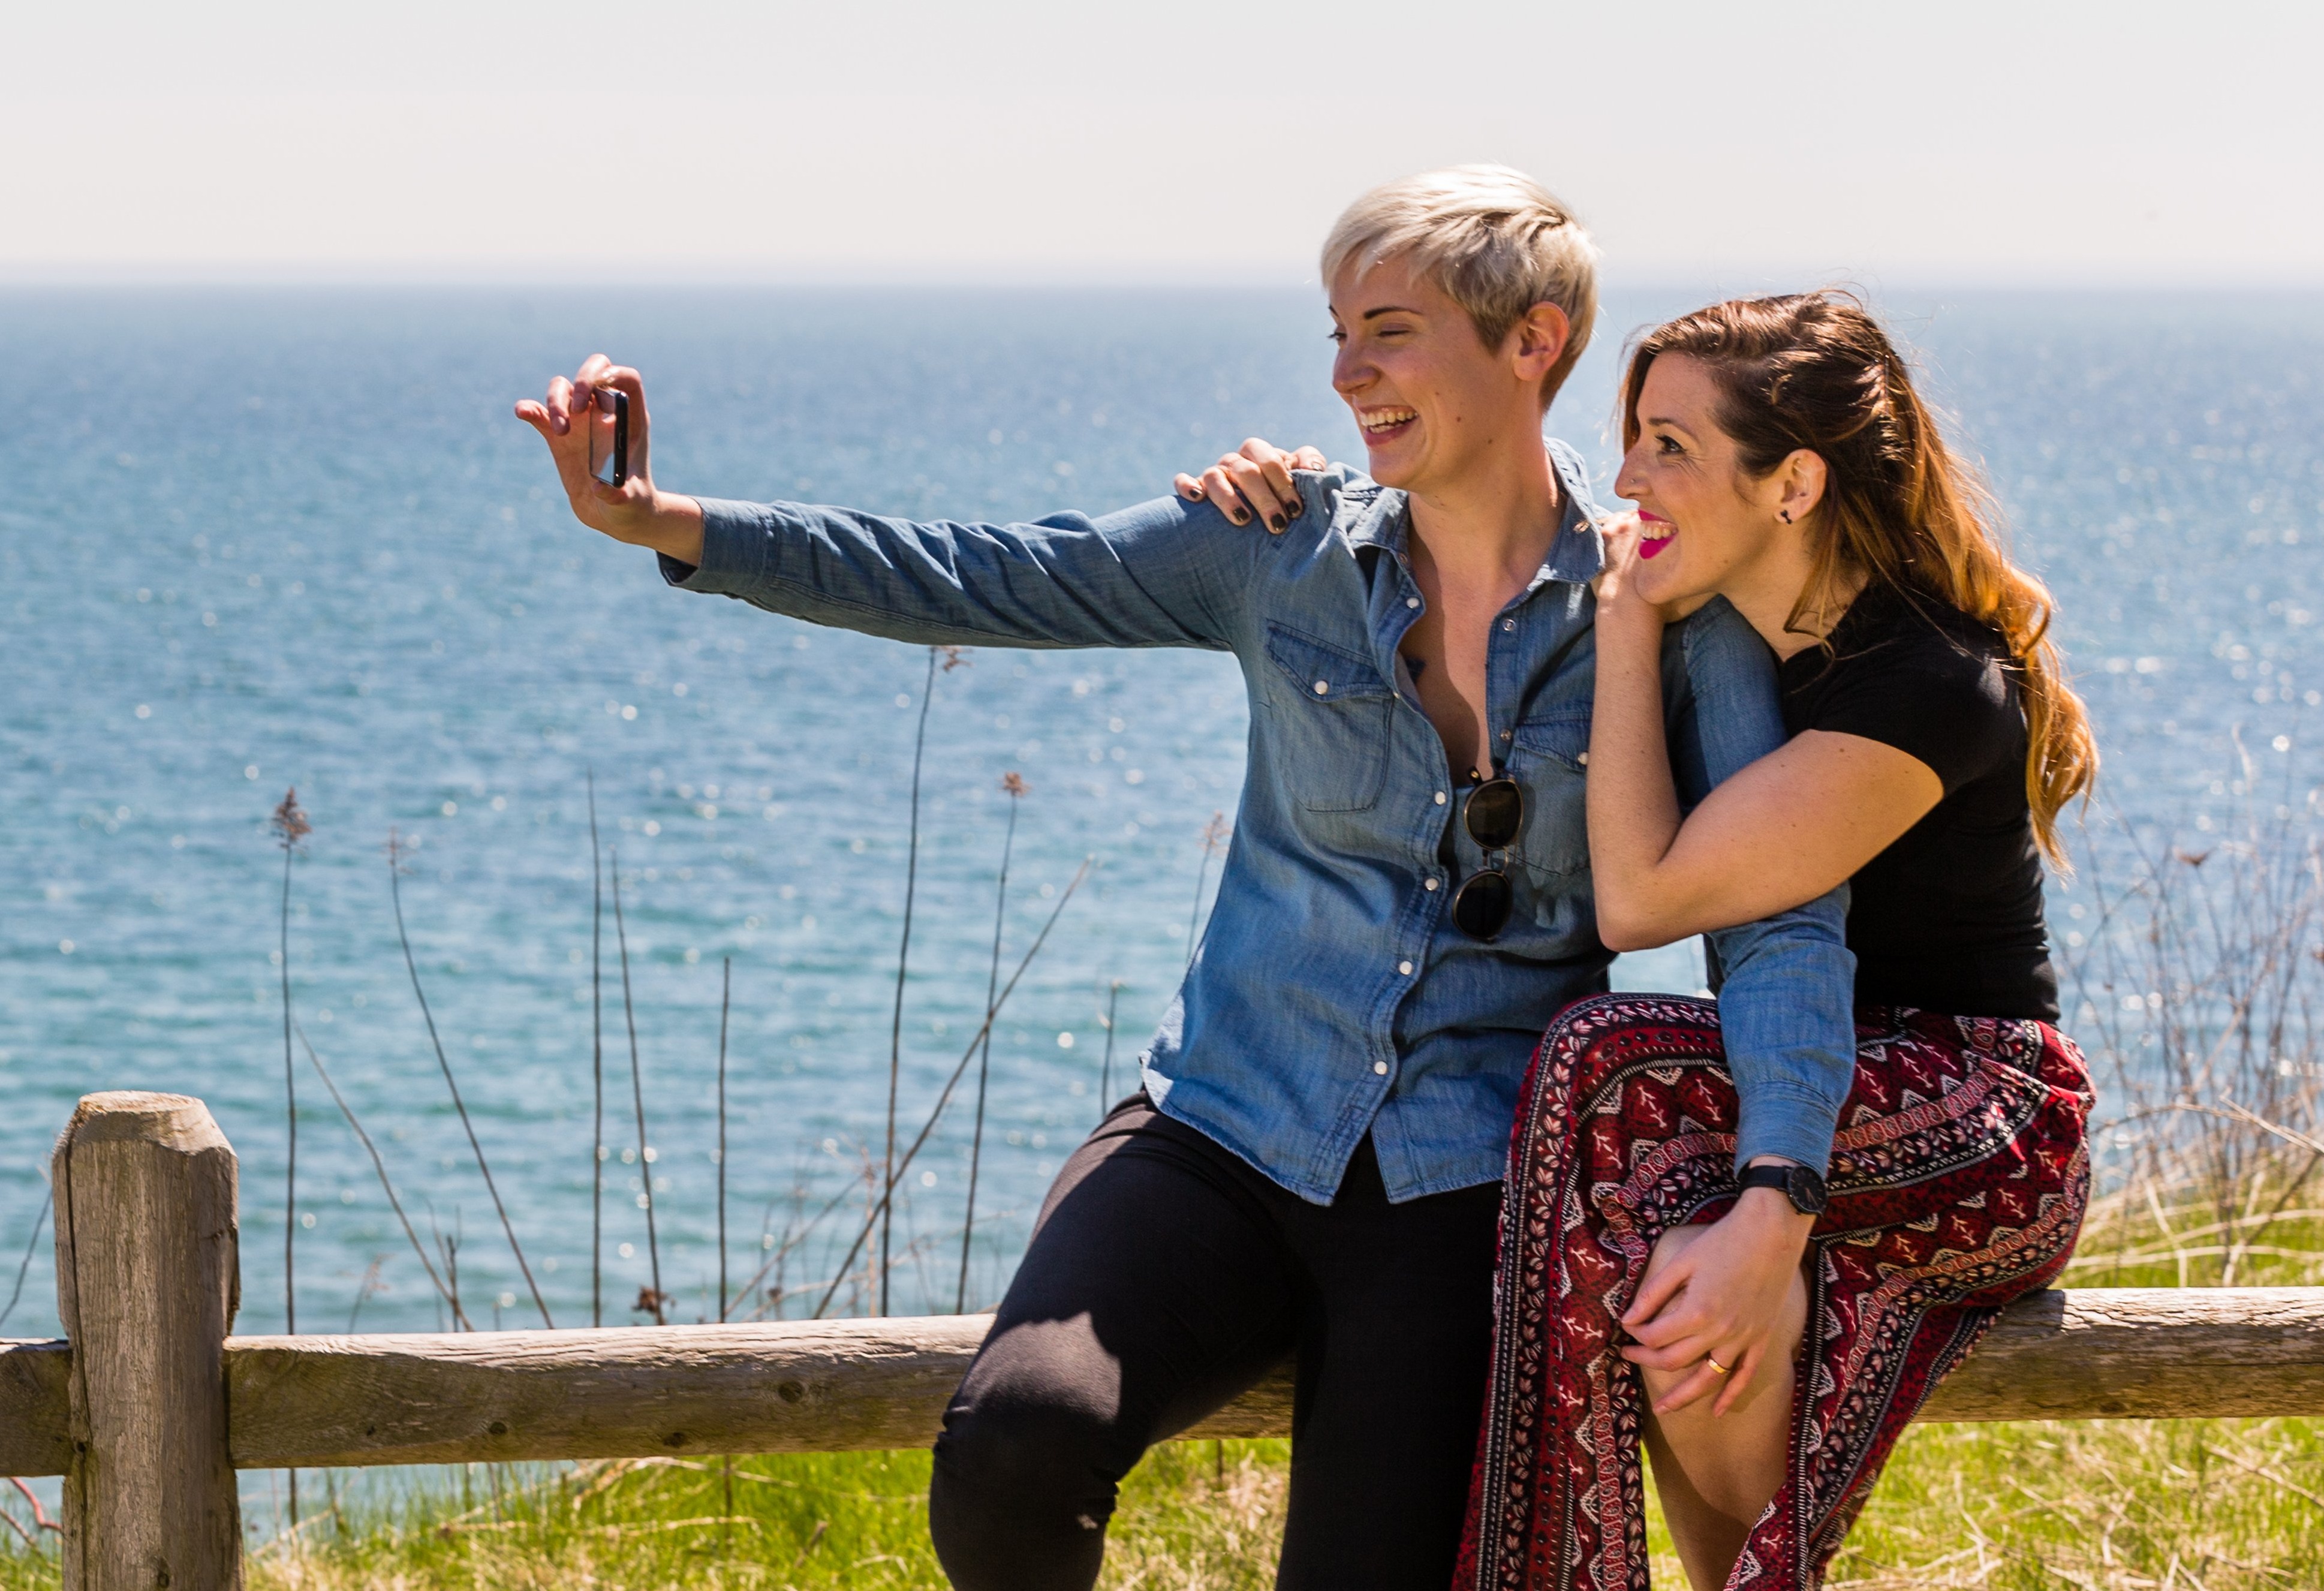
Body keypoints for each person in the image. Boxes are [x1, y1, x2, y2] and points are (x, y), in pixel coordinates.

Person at [515, 167, 1853, 1591]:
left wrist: (1778, 1191)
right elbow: (983, 576)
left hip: (1467, 1180)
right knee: (1011, 1447)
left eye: (1387, 331)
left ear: (1532, 341)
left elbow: (1778, 929)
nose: (1345, 374)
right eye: (1335, 331)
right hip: (1219, 1122)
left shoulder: (1666, 615)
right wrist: (663, 519)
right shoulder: (1272, 546)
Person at [1451, 293, 2098, 1591]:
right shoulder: (1739, 648)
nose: (1627, 479)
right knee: (1658, 1220)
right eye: (1629, 436)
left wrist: (1629, 622)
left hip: (1989, 1114)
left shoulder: (1931, 683)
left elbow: (1640, 900)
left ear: (1792, 481)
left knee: (1606, 1060)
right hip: (1803, 1092)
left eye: (1670, 446)